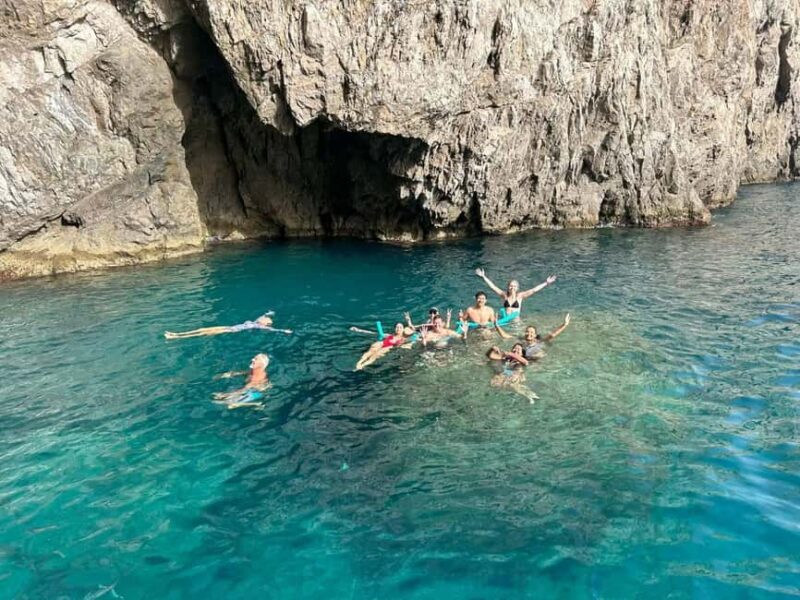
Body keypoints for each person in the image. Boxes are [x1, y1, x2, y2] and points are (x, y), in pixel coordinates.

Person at [475, 268, 557, 318]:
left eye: (514, 286)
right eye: (510, 286)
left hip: (515, 320)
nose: (512, 288)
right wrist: (483, 276)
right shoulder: (504, 295)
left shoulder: (520, 296)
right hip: (505, 319)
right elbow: (493, 287)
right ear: (508, 287)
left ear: (517, 288)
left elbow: (534, 290)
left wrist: (546, 283)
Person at [164, 312, 292, 339]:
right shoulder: (256, 321)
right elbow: (262, 316)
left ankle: (176, 337)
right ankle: (177, 333)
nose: (264, 319)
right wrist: (268, 313)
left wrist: (283, 330)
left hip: (231, 330)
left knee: (204, 333)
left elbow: (273, 329)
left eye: (266, 320)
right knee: (203, 329)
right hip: (228, 326)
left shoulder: (259, 326)